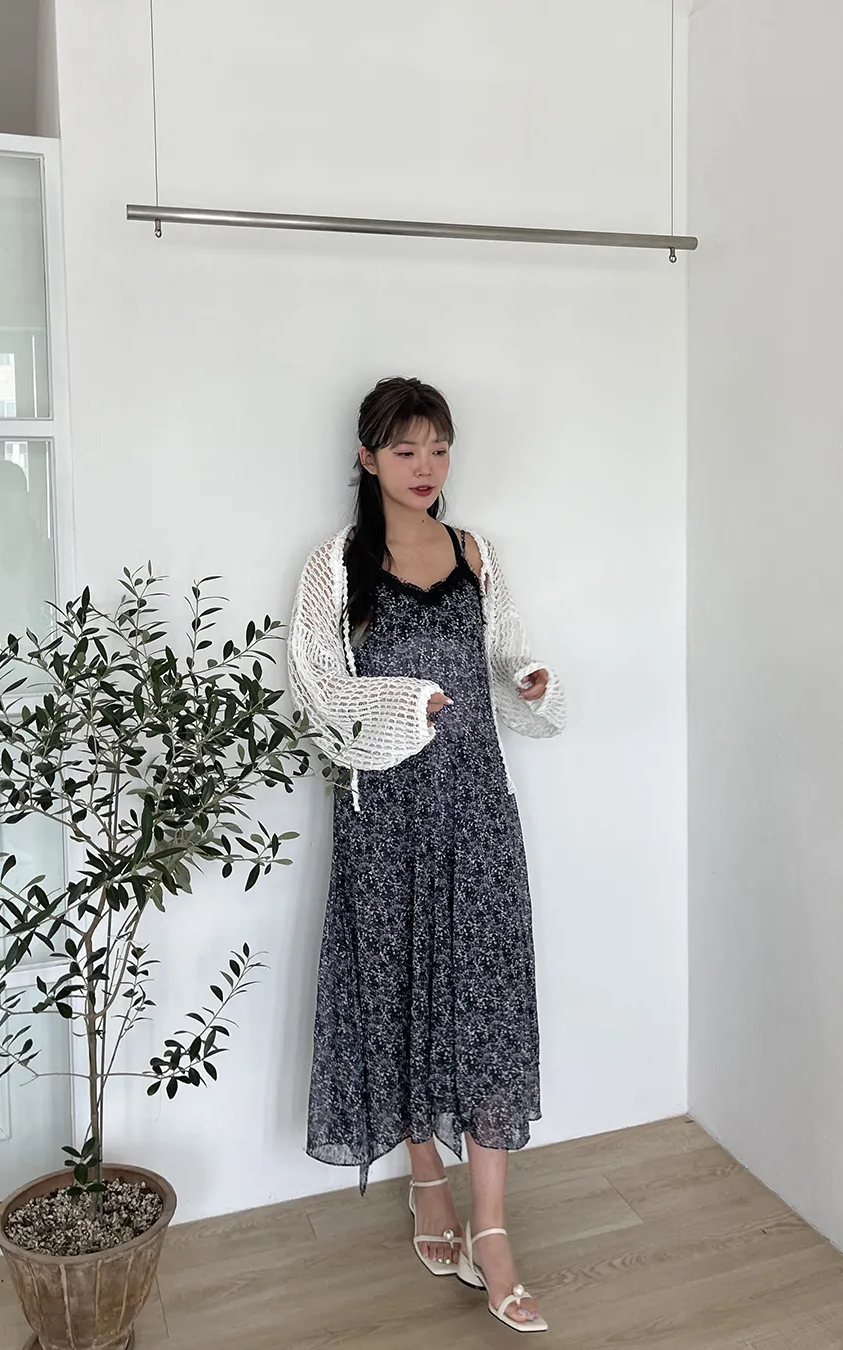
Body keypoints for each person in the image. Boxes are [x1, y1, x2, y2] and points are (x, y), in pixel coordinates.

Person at [288, 376, 565, 1332]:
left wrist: (528, 680)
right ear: (367, 458)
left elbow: (508, 657)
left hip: (477, 808)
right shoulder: (336, 564)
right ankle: (426, 1181)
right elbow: (317, 687)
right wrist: (407, 703)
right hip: (388, 815)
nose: (425, 467)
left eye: (438, 448)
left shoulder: (475, 552)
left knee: (487, 1002)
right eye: (405, 450)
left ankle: (493, 1229)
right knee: (400, 989)